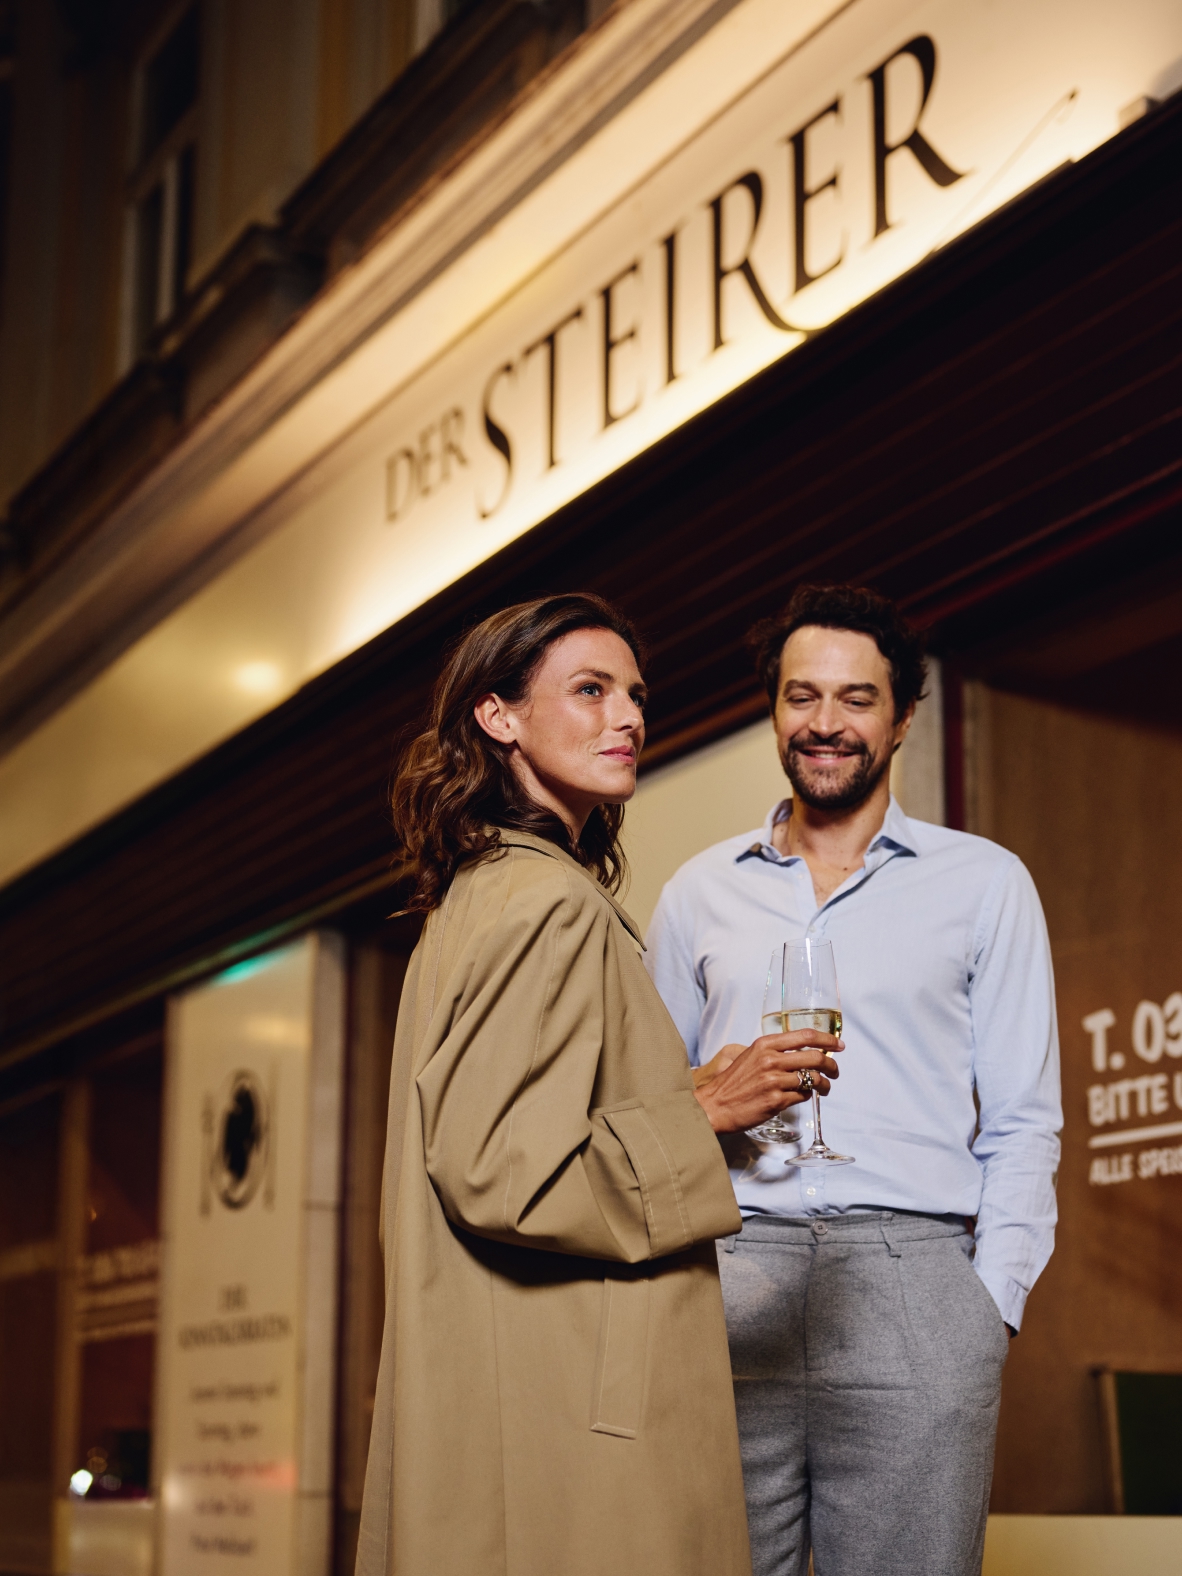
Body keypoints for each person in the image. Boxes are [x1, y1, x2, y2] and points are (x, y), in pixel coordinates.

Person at [355, 592, 841, 1576]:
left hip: (524, 1385)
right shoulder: (550, 906)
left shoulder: (484, 892)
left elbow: (500, 1127)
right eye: (589, 690)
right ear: (498, 715)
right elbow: (499, 1168)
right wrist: (704, 1113)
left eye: (635, 695)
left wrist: (683, 1099)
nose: (627, 716)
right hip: (570, 1404)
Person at [645, 583, 1063, 1576]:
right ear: (774, 711)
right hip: (731, 1274)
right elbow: (650, 1107)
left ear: (903, 716)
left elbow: (1023, 1120)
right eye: (802, 696)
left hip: (914, 1278)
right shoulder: (698, 891)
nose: (824, 722)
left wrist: (988, 1304)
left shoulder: (985, 882)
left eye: (856, 698)